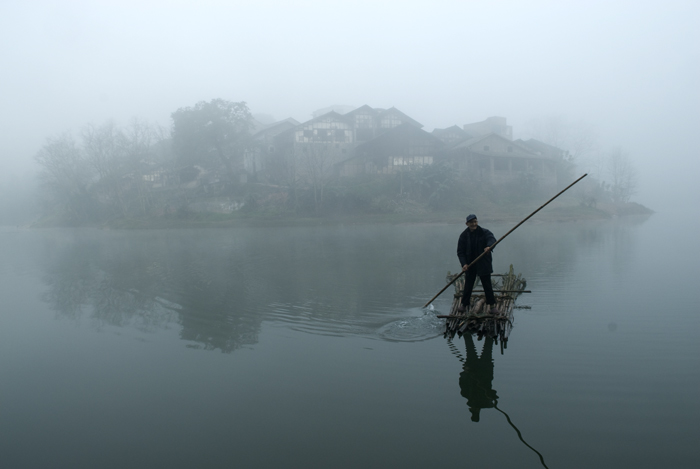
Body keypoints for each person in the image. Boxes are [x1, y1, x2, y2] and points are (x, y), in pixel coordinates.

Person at [457, 214, 498, 314]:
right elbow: (460, 252)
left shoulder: (484, 232)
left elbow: (492, 239)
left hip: (483, 263)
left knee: (487, 284)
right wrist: (464, 264)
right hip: (470, 264)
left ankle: (492, 306)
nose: (474, 224)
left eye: (475, 222)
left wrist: (489, 246)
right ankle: (464, 304)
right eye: (471, 222)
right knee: (468, 285)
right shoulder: (463, 236)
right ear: (467, 224)